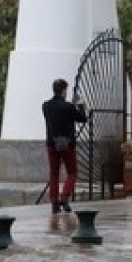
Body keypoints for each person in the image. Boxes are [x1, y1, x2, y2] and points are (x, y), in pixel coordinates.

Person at [41, 78, 87, 214]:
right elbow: (82, 119)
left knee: (54, 174)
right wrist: (81, 105)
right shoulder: (68, 107)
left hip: (52, 143)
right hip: (67, 144)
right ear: (63, 90)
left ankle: (54, 204)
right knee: (72, 172)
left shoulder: (46, 106)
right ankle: (65, 196)